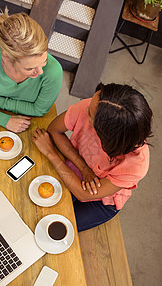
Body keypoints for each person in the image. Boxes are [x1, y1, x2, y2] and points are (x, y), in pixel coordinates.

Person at [32, 83, 153, 231]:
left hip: (101, 201)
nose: (86, 108)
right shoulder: (96, 104)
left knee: (50, 227)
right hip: (76, 169)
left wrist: (50, 153)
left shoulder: (136, 165)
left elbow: (83, 194)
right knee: (36, 210)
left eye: (90, 115)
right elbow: (55, 130)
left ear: (106, 133)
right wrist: (83, 168)